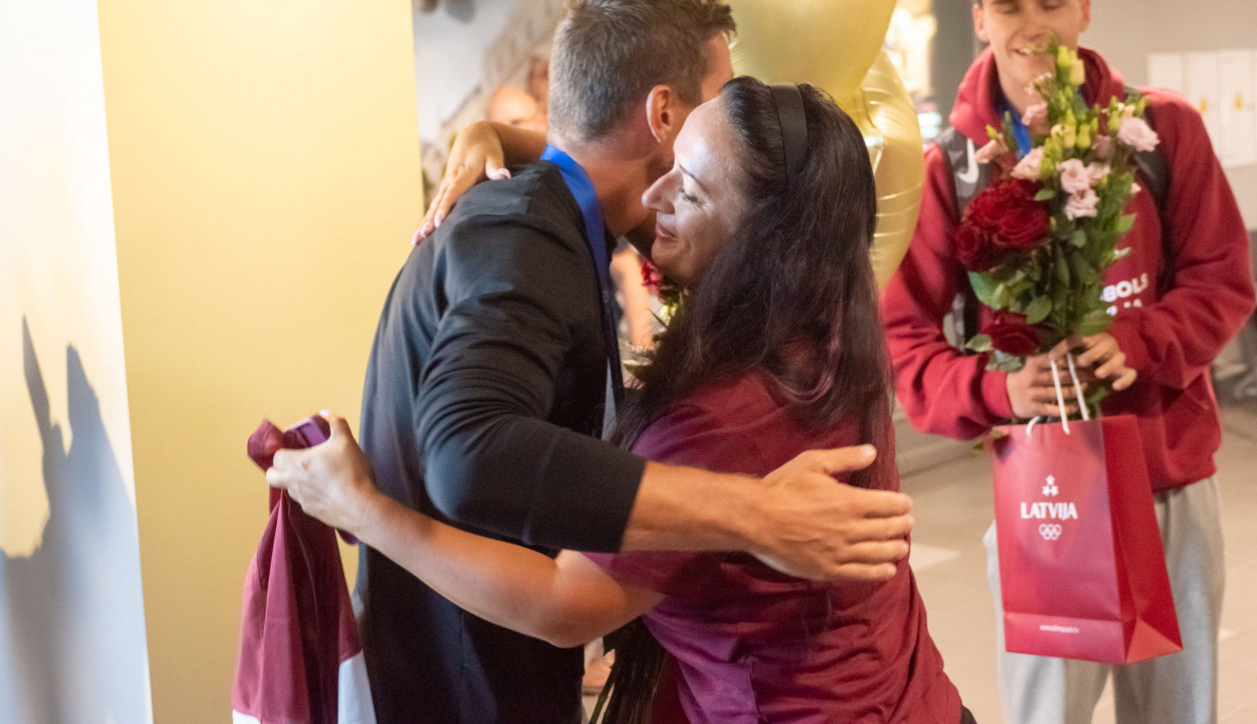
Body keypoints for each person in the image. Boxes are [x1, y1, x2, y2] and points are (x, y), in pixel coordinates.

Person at [271, 77, 971, 724]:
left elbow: (564, 604)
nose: (653, 194)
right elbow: (640, 182)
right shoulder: (826, 329)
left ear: (763, 244)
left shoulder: (721, 419)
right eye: (667, 161)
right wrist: (502, 137)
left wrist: (364, 509)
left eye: (687, 189)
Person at [881, 0, 1254, 724]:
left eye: (1051, 1)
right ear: (980, 17)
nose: (1032, 25)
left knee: (1178, 713)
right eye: (1009, 5)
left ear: (1084, 8)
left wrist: (1140, 342)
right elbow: (902, 335)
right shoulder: (952, 165)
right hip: (1043, 490)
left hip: (1168, 472)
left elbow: (1223, 277)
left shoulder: (1161, 131)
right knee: (1047, 713)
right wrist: (1000, 389)